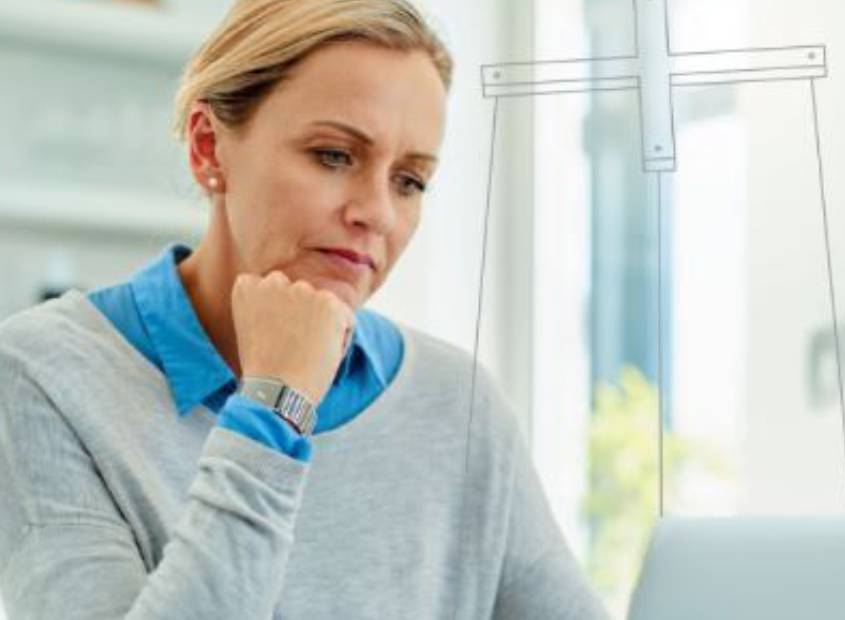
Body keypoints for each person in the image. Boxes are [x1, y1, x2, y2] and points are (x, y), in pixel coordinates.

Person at [0, 1, 611, 618]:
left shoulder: (461, 405)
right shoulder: (44, 374)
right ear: (209, 148)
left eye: (410, 180)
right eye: (334, 156)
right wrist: (274, 406)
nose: (376, 212)